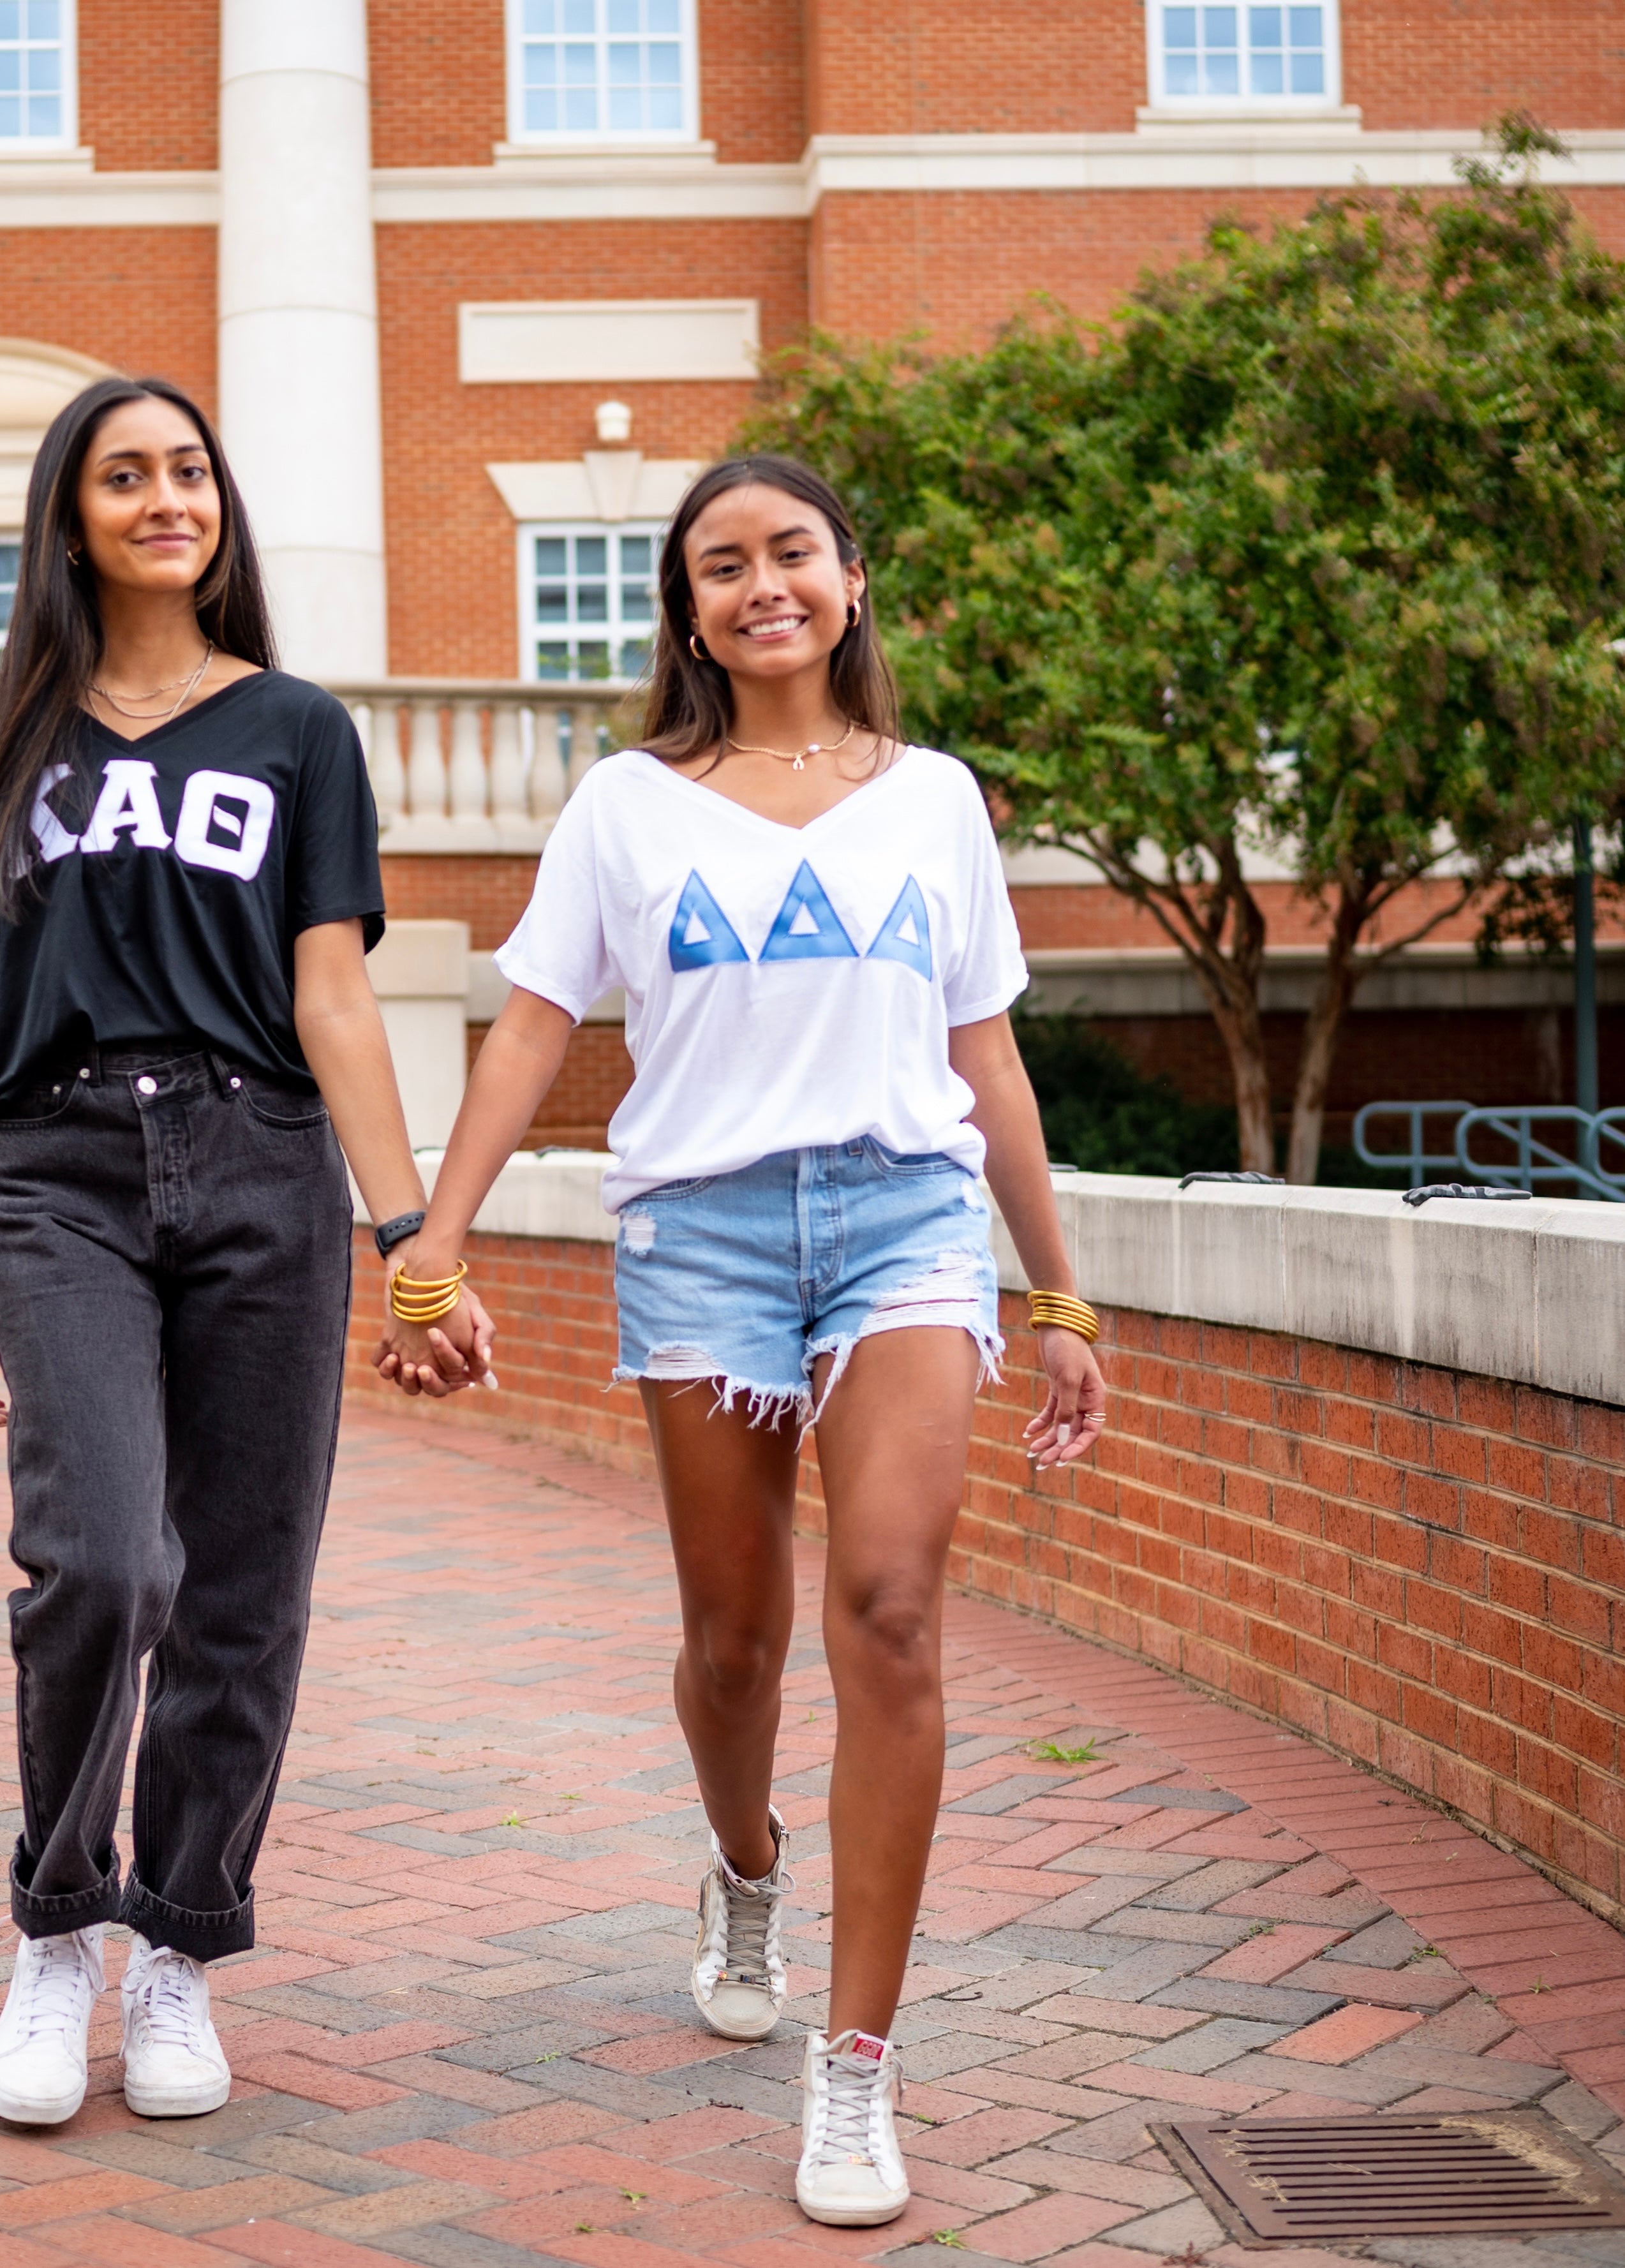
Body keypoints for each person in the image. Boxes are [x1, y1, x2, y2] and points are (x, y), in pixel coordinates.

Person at [375, 455, 1106, 2226]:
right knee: (731, 1637)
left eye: (790, 552)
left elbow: (985, 1058)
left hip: (900, 1223)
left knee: (887, 1607)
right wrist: (428, 1248)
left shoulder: (933, 799)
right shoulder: (625, 806)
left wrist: (1060, 1289)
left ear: (850, 581)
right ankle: (743, 1858)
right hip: (695, 1233)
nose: (759, 584)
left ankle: (852, 2071)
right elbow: (531, 1026)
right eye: (720, 564)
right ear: (685, 609)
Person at [0, 373, 488, 2130]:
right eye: (125, 474)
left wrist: (412, 1236)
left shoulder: (295, 731)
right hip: (54, 1163)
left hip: (260, 1160)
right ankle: (57, 1921)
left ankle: (181, 1944)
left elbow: (336, 995)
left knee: (239, 1589)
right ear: (67, 515)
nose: (168, 496)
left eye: (190, 469)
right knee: (99, 1562)